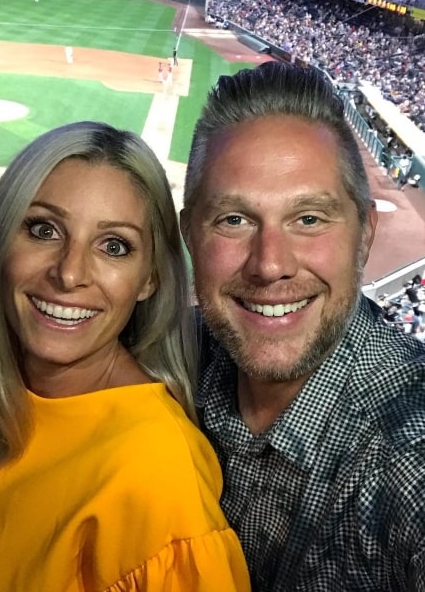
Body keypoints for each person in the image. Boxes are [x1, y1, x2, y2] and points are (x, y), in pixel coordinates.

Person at [0, 122, 251, 591]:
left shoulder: (155, 472)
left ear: (149, 279)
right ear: (0, 242)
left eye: (114, 246)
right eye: (43, 229)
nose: (70, 273)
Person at [181, 62, 425, 591]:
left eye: (309, 219)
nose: (270, 265)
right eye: (234, 220)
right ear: (190, 235)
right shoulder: (169, 353)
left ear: (364, 234)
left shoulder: (408, 454)